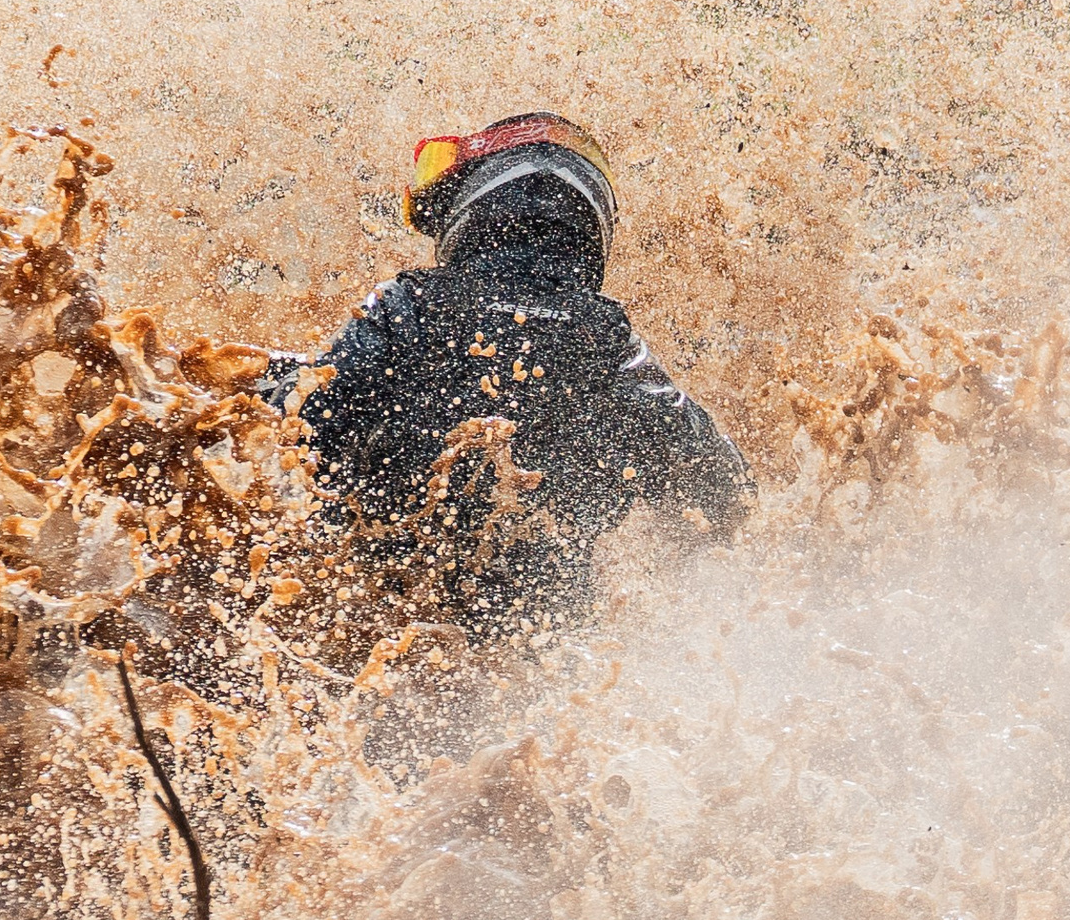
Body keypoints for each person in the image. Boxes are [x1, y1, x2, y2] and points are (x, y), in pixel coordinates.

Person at [262, 113, 754, 641]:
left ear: (474, 210)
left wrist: (257, 376)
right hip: (538, 643)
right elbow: (724, 483)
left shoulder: (409, 304)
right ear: (588, 226)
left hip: (381, 623)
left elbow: (298, 417)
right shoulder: (607, 341)